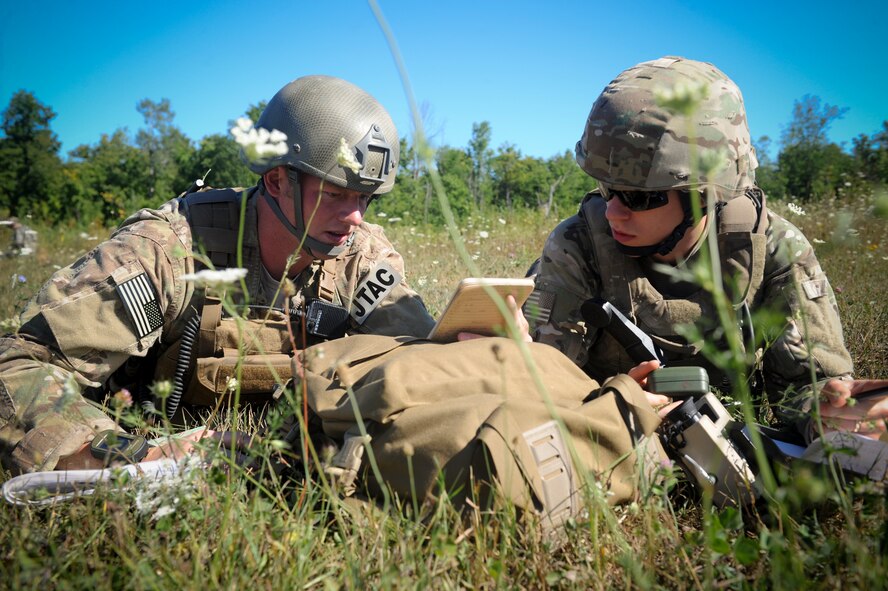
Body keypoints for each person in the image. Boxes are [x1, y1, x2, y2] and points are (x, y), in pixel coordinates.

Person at [0, 75, 436, 474]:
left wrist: (479, 343)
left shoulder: (362, 258)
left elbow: (422, 354)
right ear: (278, 181)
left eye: (366, 198)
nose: (355, 217)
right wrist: (129, 455)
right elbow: (19, 365)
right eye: (337, 194)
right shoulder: (171, 252)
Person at [527, 56, 887, 442]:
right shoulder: (577, 246)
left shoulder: (776, 250)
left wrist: (832, 412)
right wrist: (614, 401)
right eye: (606, 189)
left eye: (638, 197)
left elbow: (805, 387)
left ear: (704, 196)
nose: (613, 211)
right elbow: (543, 390)